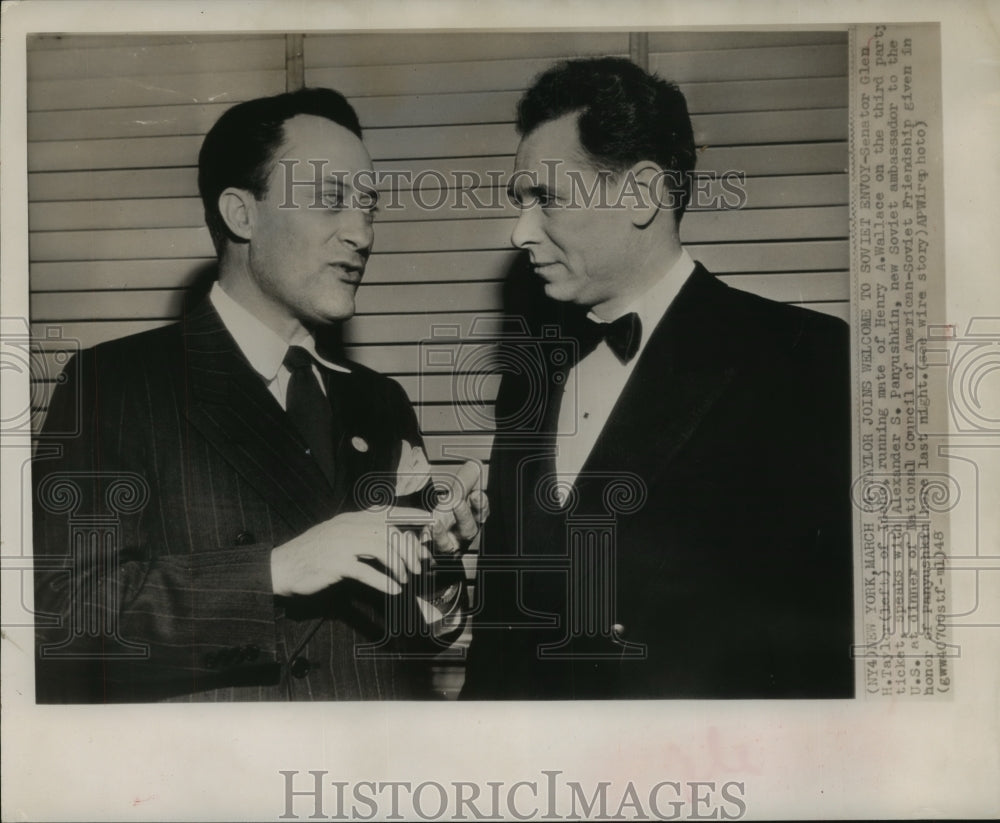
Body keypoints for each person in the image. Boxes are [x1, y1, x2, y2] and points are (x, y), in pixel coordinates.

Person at [33, 87, 485, 703]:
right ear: (241, 215)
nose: (361, 232)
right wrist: (274, 572)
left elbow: (413, 639)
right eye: (330, 201)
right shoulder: (114, 385)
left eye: (368, 205)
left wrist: (436, 570)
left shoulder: (381, 403)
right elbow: (67, 617)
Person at [461, 58, 854, 699]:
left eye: (548, 201)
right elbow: (500, 634)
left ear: (643, 193)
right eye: (520, 202)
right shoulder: (527, 382)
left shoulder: (804, 360)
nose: (520, 231)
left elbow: (823, 648)